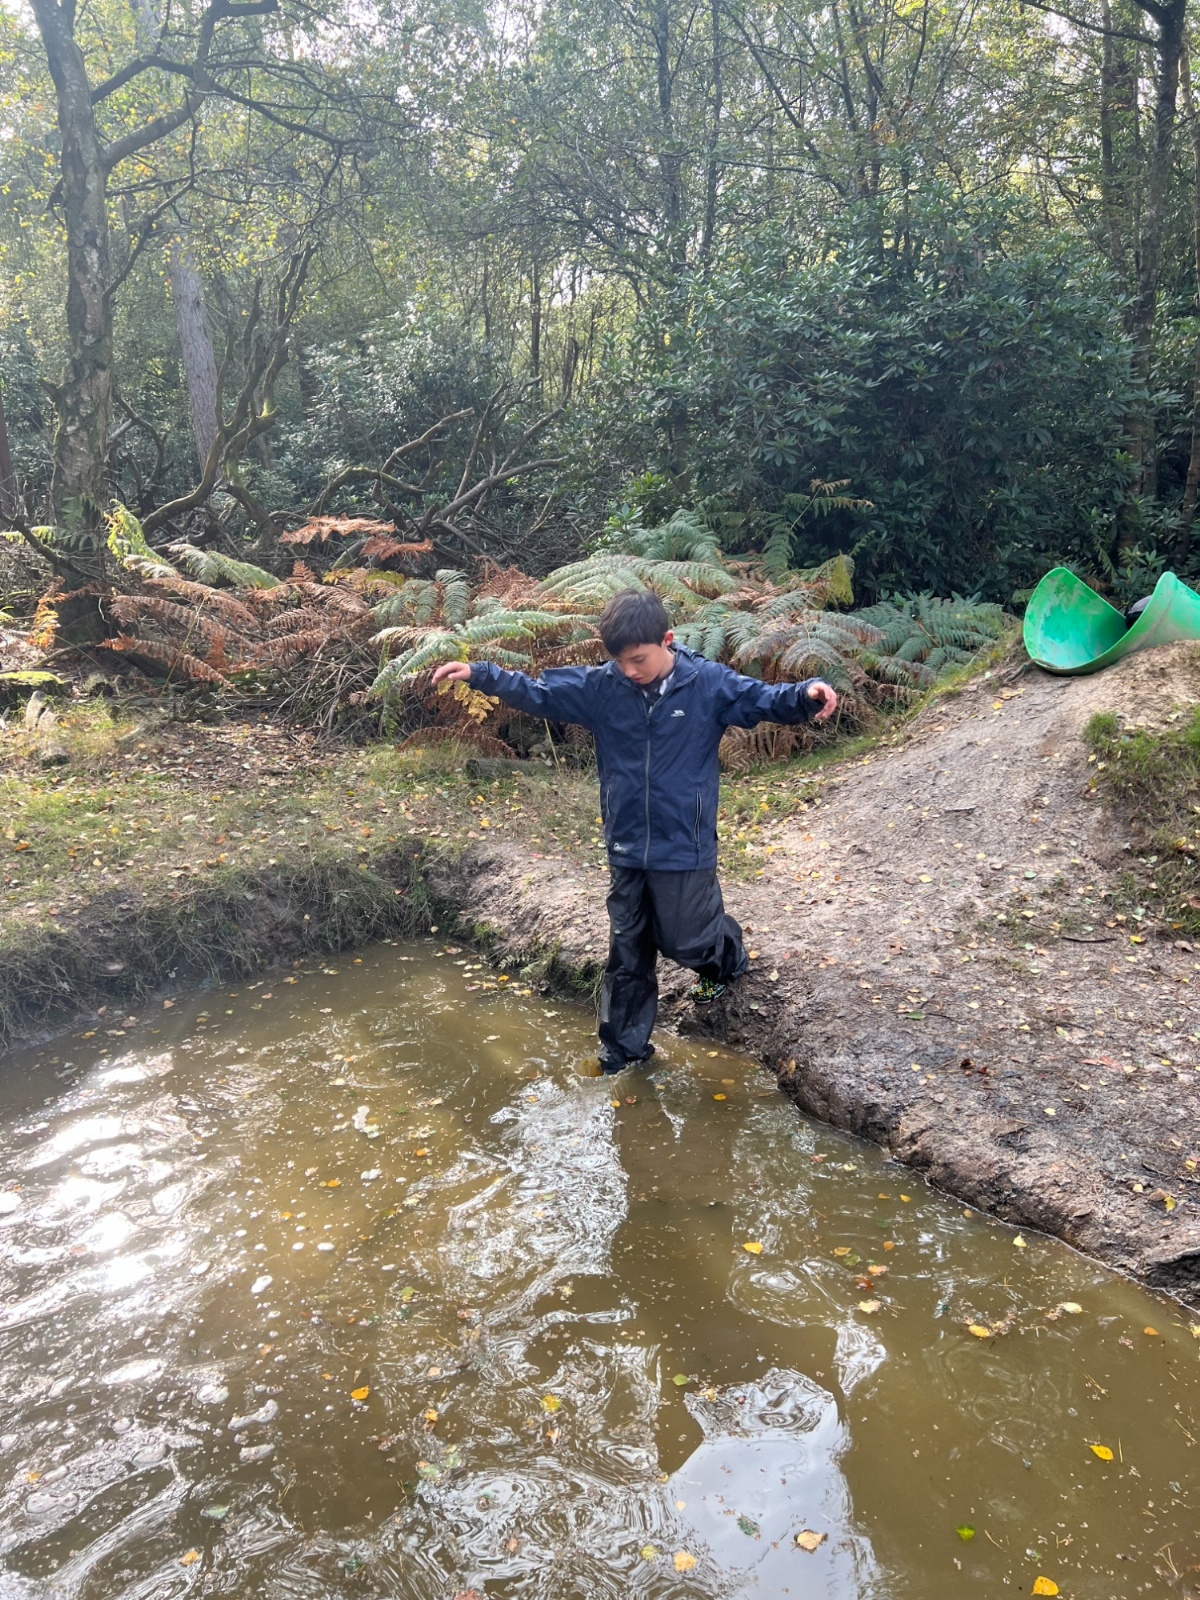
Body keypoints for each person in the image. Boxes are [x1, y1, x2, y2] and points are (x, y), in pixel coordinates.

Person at [431, 587, 838, 1073]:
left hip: (683, 843)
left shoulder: (707, 684)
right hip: (625, 843)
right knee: (627, 952)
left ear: (666, 640)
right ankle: (622, 1055)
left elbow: (761, 698)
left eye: (638, 659)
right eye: (619, 661)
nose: (629, 670)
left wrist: (805, 696)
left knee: (684, 940)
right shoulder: (603, 687)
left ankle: (726, 958)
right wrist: (480, 674)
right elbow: (539, 691)